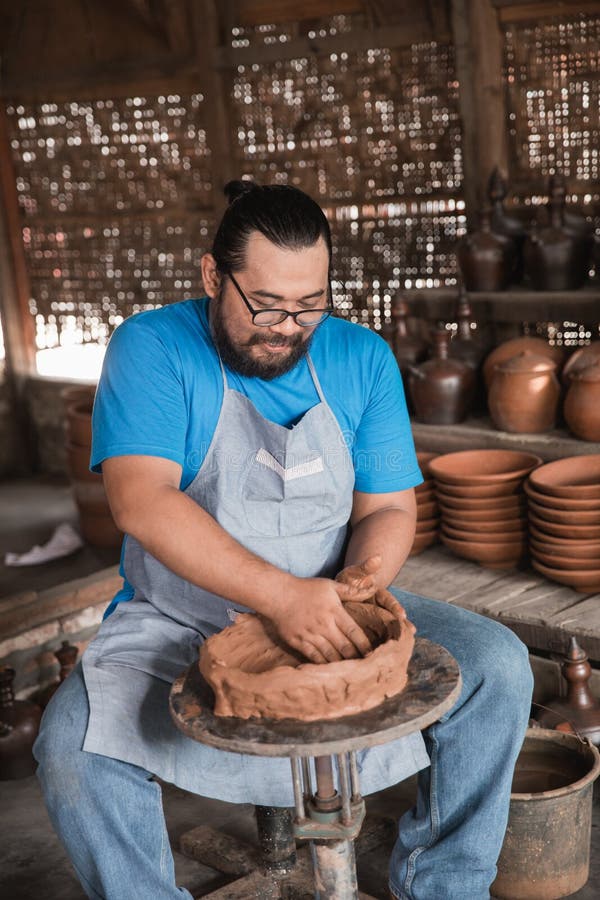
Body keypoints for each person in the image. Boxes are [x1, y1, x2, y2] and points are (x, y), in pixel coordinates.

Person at [34, 180, 533, 900]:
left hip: (330, 604)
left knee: (500, 667)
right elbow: (139, 501)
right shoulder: (152, 347)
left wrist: (359, 584)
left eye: (310, 306)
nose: (287, 327)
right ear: (213, 276)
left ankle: (444, 885)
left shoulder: (360, 358)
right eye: (264, 304)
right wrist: (279, 598)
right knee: (69, 747)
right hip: (180, 619)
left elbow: (390, 506)